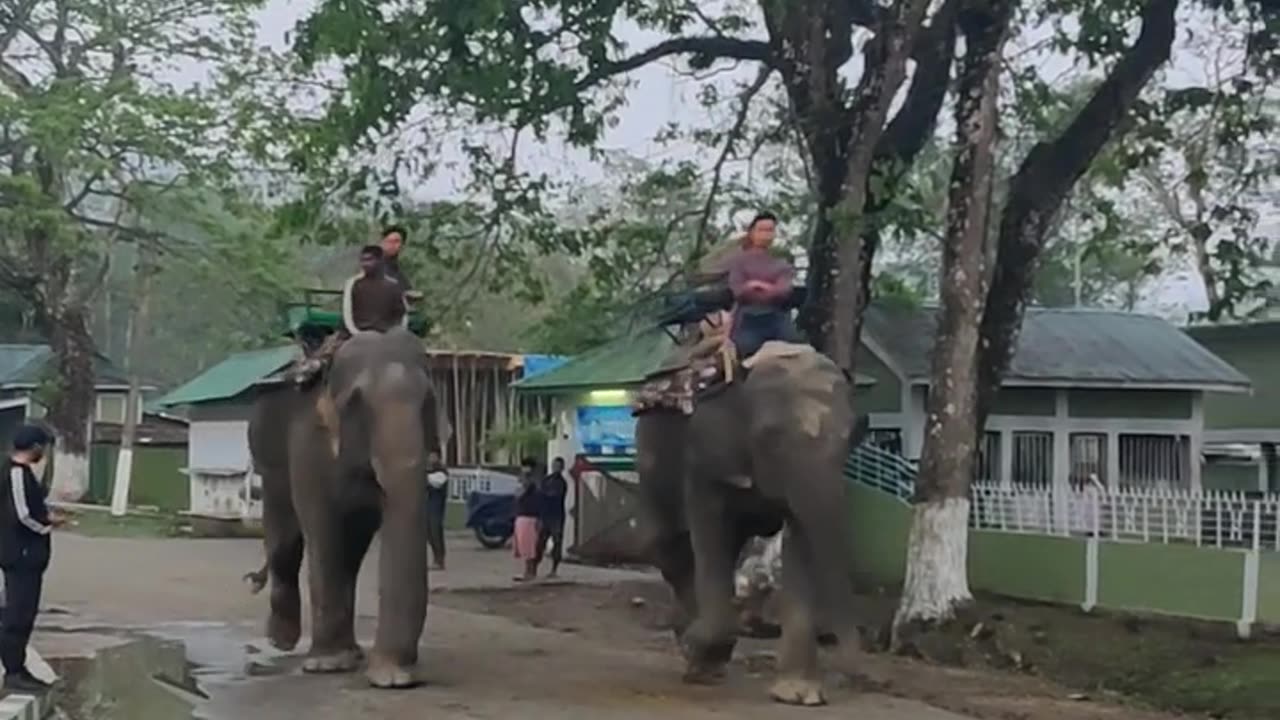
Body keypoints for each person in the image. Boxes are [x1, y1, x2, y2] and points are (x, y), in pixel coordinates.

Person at [0, 425, 62, 692]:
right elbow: (22, 515)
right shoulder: (16, 473)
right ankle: (13, 672)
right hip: (21, 554)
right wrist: (47, 525)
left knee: (23, 612)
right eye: (43, 447)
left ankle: (18, 667)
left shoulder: (18, 473)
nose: (44, 453)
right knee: (19, 614)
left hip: (24, 555)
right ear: (35, 447)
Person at [292, 244, 408, 386]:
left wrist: (360, 334)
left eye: (370, 260)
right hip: (367, 334)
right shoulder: (356, 283)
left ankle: (314, 368)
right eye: (363, 260)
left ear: (380, 261)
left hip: (361, 335)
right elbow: (402, 316)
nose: (365, 264)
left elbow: (401, 315)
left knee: (326, 353)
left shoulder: (390, 285)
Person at [725, 211, 800, 358]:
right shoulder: (739, 261)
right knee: (746, 350)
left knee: (795, 350)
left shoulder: (781, 264)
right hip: (748, 318)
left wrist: (756, 285)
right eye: (761, 230)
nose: (766, 234)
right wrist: (761, 287)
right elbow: (738, 291)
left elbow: (783, 291)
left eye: (770, 230)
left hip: (776, 317)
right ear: (752, 233)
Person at [536, 457, 569, 579]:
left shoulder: (561, 483)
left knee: (557, 543)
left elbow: (554, 496)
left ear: (562, 468)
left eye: (558, 466)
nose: (556, 467)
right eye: (554, 465)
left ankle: (554, 569)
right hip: (546, 515)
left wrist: (543, 494)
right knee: (540, 543)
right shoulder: (546, 480)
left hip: (556, 516)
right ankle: (534, 567)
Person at [512, 458, 542, 583]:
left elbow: (519, 494)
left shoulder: (531, 483)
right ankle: (528, 572)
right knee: (525, 546)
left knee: (528, 546)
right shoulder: (529, 481)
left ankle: (529, 572)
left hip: (528, 516)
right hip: (523, 515)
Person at [425, 450, 449, 571]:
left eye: (433, 456)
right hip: (429, 506)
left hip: (437, 508)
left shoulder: (441, 472)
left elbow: (437, 482)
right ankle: (436, 558)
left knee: (435, 531)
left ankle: (440, 559)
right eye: (430, 456)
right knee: (429, 532)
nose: (431, 459)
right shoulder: (429, 471)